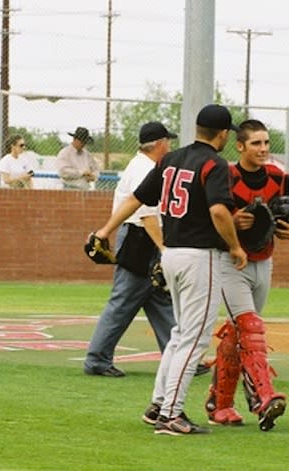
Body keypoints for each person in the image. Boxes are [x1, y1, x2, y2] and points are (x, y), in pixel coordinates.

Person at [93, 104, 247, 436]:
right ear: (222, 134)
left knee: (179, 335)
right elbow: (220, 211)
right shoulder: (215, 164)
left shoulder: (171, 158)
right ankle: (170, 415)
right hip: (199, 257)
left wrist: (106, 231)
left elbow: (135, 199)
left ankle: (158, 405)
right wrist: (235, 246)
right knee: (193, 338)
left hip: (171, 253)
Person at [204, 119, 289, 431]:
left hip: (263, 261)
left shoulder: (279, 179)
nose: (263, 149)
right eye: (256, 143)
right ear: (239, 146)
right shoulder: (224, 175)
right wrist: (229, 222)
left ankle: (220, 403)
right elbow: (204, 213)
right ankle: (263, 397)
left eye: (266, 143)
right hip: (229, 262)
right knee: (250, 327)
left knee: (238, 334)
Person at [83, 122, 209, 378]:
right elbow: (147, 215)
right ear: (160, 143)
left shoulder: (145, 166)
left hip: (144, 238)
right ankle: (97, 359)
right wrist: (164, 249)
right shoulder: (144, 168)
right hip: (140, 239)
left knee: (161, 300)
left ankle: (181, 358)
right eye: (168, 142)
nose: (170, 146)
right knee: (123, 301)